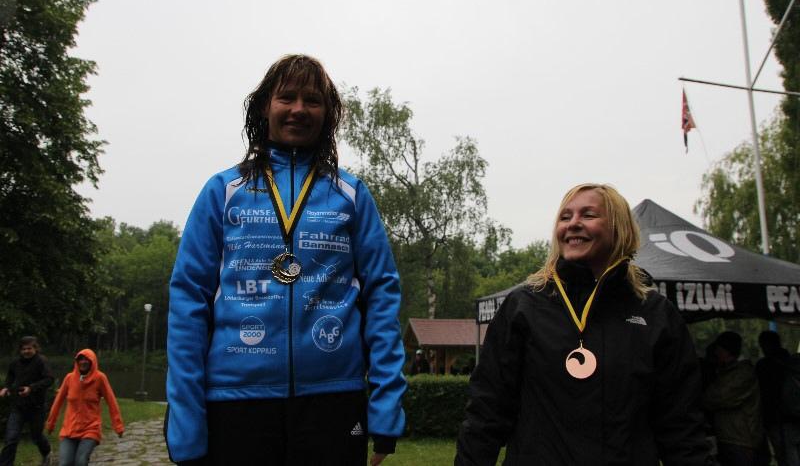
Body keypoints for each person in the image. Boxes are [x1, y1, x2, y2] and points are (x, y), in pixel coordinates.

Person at [165, 54, 406, 466]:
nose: (298, 109)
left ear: (327, 114)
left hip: (334, 401)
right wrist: (186, 425)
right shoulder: (223, 191)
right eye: (287, 97)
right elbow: (188, 304)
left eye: (312, 100)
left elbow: (382, 298)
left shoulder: (350, 194)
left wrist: (385, 409)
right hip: (236, 402)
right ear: (265, 106)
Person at [455, 183, 709, 465]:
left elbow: (682, 427)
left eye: (588, 215)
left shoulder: (656, 314)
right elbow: (486, 413)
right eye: (565, 217)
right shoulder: (523, 307)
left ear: (620, 228)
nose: (573, 223)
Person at [45, 349, 124, 466]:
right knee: (65, 463)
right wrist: (51, 423)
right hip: (69, 429)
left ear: (93, 361)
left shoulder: (100, 378)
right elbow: (58, 402)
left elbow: (111, 401)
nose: (83, 362)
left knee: (80, 462)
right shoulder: (69, 378)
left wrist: (118, 426)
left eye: (87, 359)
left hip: (90, 428)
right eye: (80, 359)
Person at [703, 331, 764, 466]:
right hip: (730, 438)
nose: (716, 353)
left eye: (718, 349)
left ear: (726, 351)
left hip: (741, 441)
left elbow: (717, 397)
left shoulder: (742, 373)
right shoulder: (726, 373)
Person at [0, 336, 54, 466]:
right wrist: (6, 388)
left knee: (36, 436)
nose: (26, 351)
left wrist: (31, 388)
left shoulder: (41, 361)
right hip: (18, 406)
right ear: (20, 350)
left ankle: (47, 452)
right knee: (11, 438)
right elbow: (10, 377)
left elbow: (49, 379)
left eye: (29, 348)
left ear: (35, 348)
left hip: (37, 407)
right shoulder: (15, 363)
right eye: (23, 349)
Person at [756, 330, 800, 466]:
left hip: (778, 422)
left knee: (788, 459)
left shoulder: (764, 366)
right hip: (796, 418)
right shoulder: (793, 363)